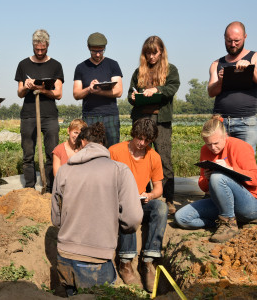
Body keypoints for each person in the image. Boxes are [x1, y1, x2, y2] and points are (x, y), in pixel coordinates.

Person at [52, 122, 143, 296]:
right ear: (103, 144)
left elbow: (56, 219)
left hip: (64, 256)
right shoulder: (120, 171)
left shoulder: (63, 171)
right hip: (96, 260)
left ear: (83, 143)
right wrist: (121, 228)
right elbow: (133, 218)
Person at [175, 115, 257, 243]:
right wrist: (206, 179)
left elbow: (255, 179)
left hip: (248, 205)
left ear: (225, 136)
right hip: (220, 203)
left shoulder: (241, 147)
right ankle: (222, 221)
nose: (213, 148)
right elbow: (203, 187)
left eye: (216, 143)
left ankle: (228, 223)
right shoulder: (205, 150)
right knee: (181, 218)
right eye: (208, 144)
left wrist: (231, 169)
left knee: (218, 177)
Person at [109, 118, 168, 292]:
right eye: (139, 138)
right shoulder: (115, 151)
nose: (142, 143)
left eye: (147, 140)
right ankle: (125, 263)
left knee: (161, 208)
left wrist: (149, 195)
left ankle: (148, 261)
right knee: (130, 210)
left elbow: (158, 188)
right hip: (119, 202)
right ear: (133, 134)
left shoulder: (154, 156)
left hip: (140, 200)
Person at [128, 36, 180, 214]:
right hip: (142, 120)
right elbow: (130, 93)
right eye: (148, 53)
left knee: (164, 158)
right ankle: (145, 195)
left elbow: (172, 88)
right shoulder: (138, 71)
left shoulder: (170, 70)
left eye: (154, 53)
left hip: (161, 121)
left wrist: (156, 89)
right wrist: (133, 97)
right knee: (142, 157)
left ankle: (169, 199)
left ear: (161, 52)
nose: (151, 57)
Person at [15, 29, 64, 193]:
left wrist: (41, 89)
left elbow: (58, 94)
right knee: (28, 154)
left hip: (49, 116)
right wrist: (27, 87)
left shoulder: (56, 66)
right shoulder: (23, 64)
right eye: (37, 49)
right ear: (33, 46)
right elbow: (19, 92)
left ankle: (49, 188)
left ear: (47, 46)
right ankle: (29, 189)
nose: (40, 52)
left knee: (52, 153)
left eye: (43, 49)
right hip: (29, 115)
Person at [208, 21, 257, 152]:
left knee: (244, 161)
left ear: (245, 37)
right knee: (222, 161)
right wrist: (220, 81)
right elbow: (211, 92)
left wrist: (250, 69)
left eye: (237, 41)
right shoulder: (216, 63)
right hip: (220, 122)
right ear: (224, 38)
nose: (233, 44)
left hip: (246, 122)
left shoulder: (254, 57)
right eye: (229, 41)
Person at [73, 32, 123, 148]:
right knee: (89, 149)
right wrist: (89, 90)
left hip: (110, 115)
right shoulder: (81, 67)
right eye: (94, 51)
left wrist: (100, 91)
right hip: (89, 116)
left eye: (101, 51)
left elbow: (119, 91)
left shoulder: (113, 65)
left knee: (113, 149)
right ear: (88, 48)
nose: (97, 54)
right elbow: (76, 93)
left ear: (105, 48)